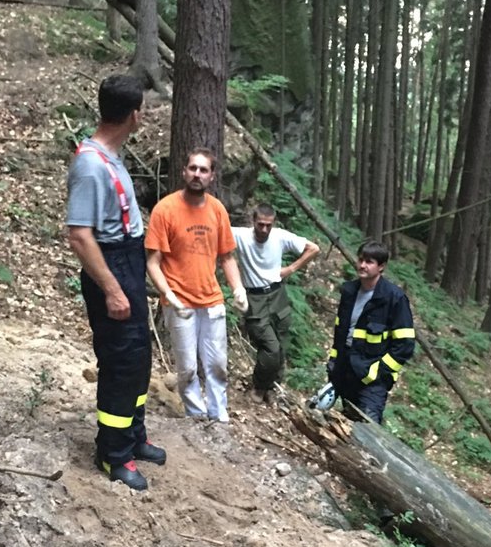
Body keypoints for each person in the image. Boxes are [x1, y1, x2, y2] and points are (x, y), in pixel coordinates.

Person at [67, 74, 166, 492]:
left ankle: (133, 437)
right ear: (134, 114)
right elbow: (79, 235)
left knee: (138, 358)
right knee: (121, 362)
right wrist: (111, 289)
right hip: (111, 267)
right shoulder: (90, 165)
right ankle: (113, 454)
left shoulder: (111, 156)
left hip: (128, 262)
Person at [145, 148, 247, 422]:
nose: (197, 174)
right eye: (193, 168)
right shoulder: (165, 210)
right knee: (187, 366)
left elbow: (227, 256)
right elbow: (152, 262)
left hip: (212, 298)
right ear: (184, 171)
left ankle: (218, 412)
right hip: (179, 301)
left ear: (212, 176)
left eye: (203, 170)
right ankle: (195, 414)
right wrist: (168, 294)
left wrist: (238, 288)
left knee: (216, 363)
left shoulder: (217, 210)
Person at [232, 205, 320, 403]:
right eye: (260, 225)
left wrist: (290, 269)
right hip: (254, 298)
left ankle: (273, 386)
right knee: (270, 347)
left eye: (268, 225)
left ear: (273, 223)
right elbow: (214, 231)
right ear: (253, 221)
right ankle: (259, 387)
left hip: (277, 293)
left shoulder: (279, 236)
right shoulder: (240, 236)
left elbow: (313, 248)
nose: (264, 230)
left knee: (280, 344)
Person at [327, 240, 415, 424]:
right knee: (346, 424)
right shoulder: (349, 291)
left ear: (381, 266)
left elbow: (405, 345)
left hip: (373, 383)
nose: (362, 265)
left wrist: (377, 372)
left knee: (369, 429)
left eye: (369, 262)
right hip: (345, 372)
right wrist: (334, 362)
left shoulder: (394, 298)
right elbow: (341, 333)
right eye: (360, 260)